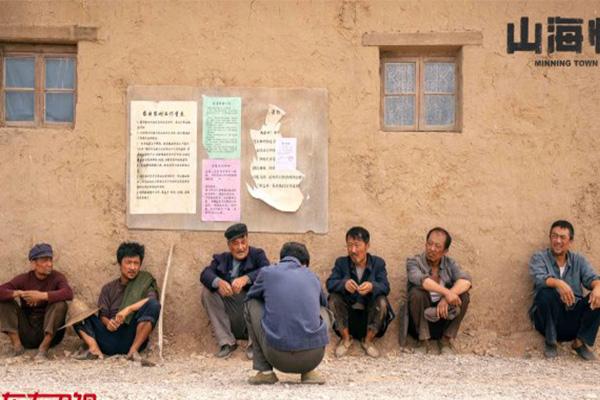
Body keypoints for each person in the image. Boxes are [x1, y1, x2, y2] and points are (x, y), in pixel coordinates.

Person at [244, 242, 330, 385]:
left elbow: (251, 296)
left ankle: (265, 372)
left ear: (282, 258)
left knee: (251, 304)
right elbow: (324, 303)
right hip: (313, 357)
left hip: (276, 355)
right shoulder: (312, 276)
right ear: (304, 263)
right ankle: (309, 372)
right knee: (323, 310)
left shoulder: (267, 272)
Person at [73, 242, 160, 361]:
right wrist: (109, 323)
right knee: (78, 315)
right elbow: (102, 315)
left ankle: (132, 352)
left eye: (136, 263)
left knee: (154, 305)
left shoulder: (144, 283)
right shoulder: (108, 288)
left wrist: (128, 309)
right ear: (120, 263)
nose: (132, 267)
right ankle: (95, 350)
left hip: (132, 336)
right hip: (108, 338)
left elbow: (151, 300)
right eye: (128, 262)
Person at [529, 220, 600, 360]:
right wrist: (558, 283)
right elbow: (539, 279)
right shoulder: (539, 257)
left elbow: (593, 279)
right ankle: (551, 341)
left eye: (562, 237)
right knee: (545, 292)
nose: (558, 241)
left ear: (570, 241)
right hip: (546, 321)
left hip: (571, 320)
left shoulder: (579, 260)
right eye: (554, 236)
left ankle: (579, 342)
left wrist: (598, 287)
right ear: (550, 238)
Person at [200, 223, 270, 359]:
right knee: (207, 292)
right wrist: (218, 282)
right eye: (235, 244)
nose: (240, 247)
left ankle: (254, 344)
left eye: (243, 242)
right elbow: (205, 274)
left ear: (248, 240)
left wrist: (247, 278)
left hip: (251, 310)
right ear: (229, 245)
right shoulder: (222, 259)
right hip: (232, 312)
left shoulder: (257, 255)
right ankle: (227, 342)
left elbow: (266, 271)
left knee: (263, 292)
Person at [326, 226, 394, 358]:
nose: (353, 250)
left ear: (367, 245)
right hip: (348, 316)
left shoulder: (378, 263)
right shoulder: (341, 263)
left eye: (357, 245)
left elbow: (385, 287)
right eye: (349, 245)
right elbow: (330, 283)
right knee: (333, 298)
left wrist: (372, 286)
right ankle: (346, 339)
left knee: (382, 301)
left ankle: (368, 341)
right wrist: (343, 284)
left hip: (369, 316)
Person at [402, 227, 471, 354]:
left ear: (445, 251)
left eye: (437, 246)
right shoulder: (414, 262)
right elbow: (422, 280)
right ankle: (423, 342)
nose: (432, 249)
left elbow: (466, 281)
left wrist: (446, 298)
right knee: (416, 293)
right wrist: (447, 293)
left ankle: (445, 340)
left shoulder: (450, 264)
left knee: (464, 296)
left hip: (443, 317)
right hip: (420, 322)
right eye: (430, 244)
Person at [0, 243, 73, 359]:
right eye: (44, 260)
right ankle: (17, 346)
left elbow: (68, 293)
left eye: (50, 260)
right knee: (4, 301)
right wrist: (16, 293)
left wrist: (42, 296)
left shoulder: (57, 277)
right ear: (33, 264)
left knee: (61, 304)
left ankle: (43, 349)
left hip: (51, 334)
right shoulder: (23, 279)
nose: (49, 264)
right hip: (26, 333)